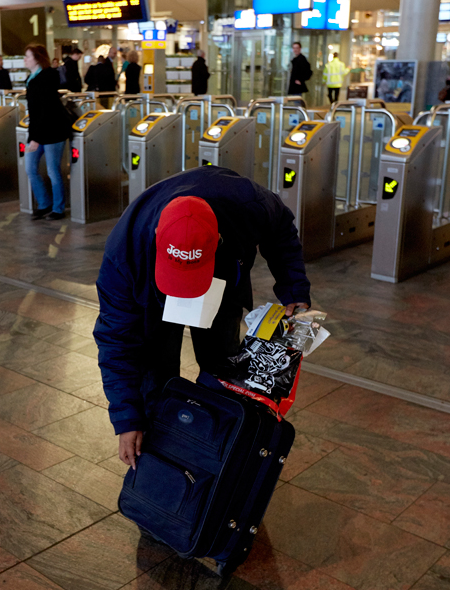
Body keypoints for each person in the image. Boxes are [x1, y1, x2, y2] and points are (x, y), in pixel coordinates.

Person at [93, 166, 311, 468]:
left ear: (218, 239)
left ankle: (223, 442)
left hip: (220, 282)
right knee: (156, 370)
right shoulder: (125, 254)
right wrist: (128, 418)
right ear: (158, 237)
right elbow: (116, 341)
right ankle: (163, 450)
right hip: (150, 292)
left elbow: (281, 231)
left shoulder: (248, 204)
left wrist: (293, 289)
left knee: (223, 365)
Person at [23, 44, 73, 221]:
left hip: (53, 130)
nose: (25, 59)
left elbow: (45, 110)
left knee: (53, 170)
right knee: (30, 167)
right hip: (38, 131)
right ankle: (44, 204)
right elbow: (34, 112)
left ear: (37, 58)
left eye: (28, 56)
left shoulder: (47, 76)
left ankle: (58, 208)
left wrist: (35, 138)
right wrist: (33, 136)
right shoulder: (30, 78)